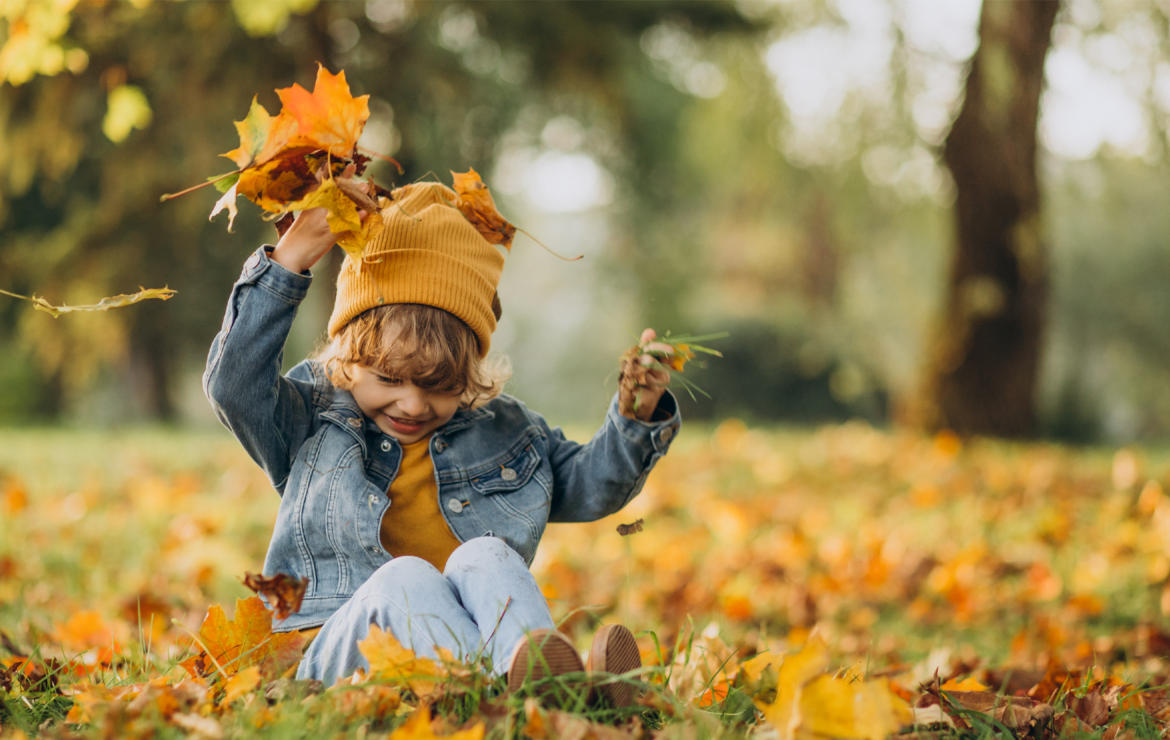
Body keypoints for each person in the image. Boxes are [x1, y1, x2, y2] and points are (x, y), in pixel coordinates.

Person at [202, 174, 680, 705]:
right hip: (333, 660)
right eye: (388, 379)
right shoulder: (310, 416)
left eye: (439, 386)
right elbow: (234, 385)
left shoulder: (504, 430)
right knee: (405, 576)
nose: (412, 404)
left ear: (470, 376)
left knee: (489, 555)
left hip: (444, 666)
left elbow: (593, 486)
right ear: (346, 358)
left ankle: (539, 689)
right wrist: (289, 260)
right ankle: (548, 697)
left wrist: (635, 416)